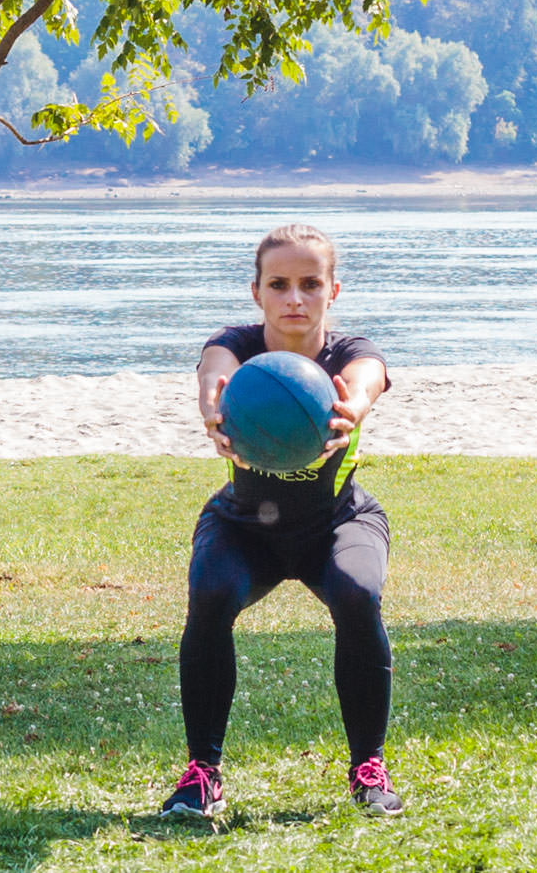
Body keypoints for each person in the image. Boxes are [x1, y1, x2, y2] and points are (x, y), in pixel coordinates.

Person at [160, 223, 403, 819]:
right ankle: (202, 774)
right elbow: (212, 376)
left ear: (333, 291)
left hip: (337, 524)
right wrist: (214, 410)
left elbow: (368, 379)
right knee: (211, 592)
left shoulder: (351, 355)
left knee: (356, 591)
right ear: (257, 292)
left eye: (310, 284)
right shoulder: (236, 346)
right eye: (280, 285)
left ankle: (368, 769)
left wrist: (354, 406)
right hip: (245, 528)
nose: (295, 298)